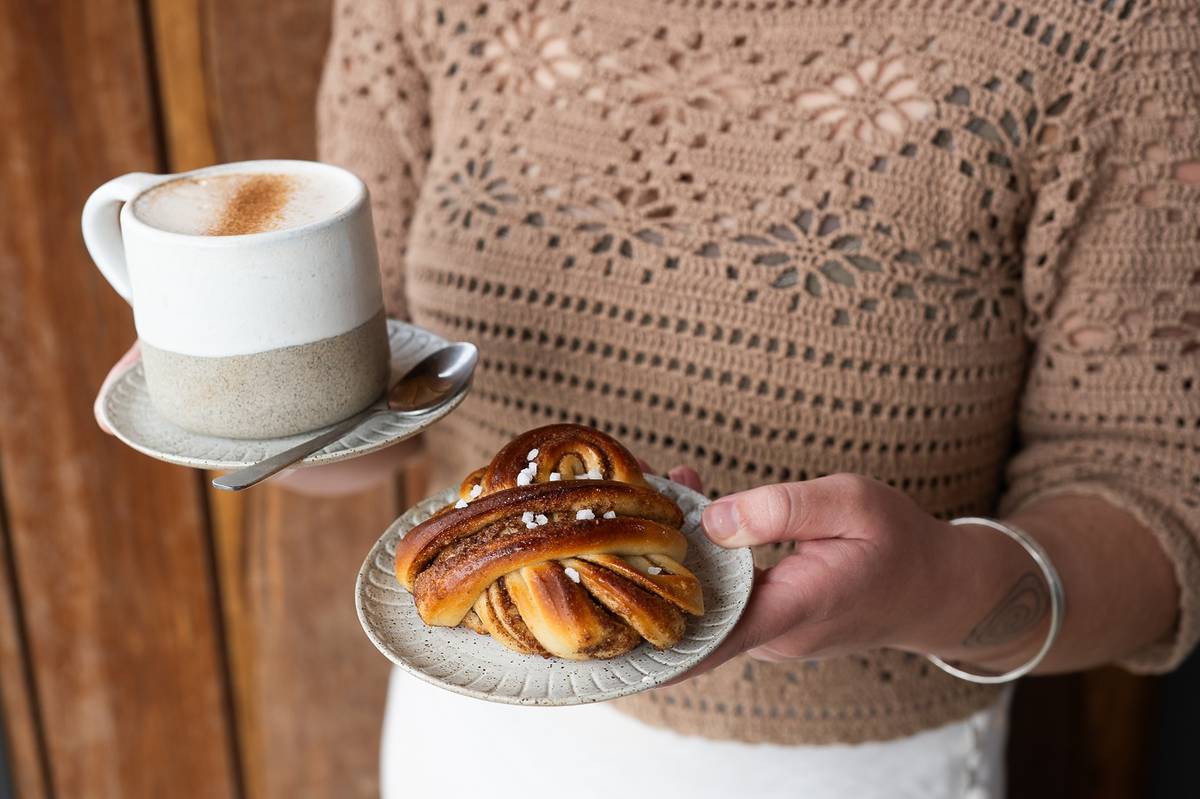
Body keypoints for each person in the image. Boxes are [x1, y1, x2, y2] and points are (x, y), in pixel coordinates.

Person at [96, 0, 1200, 796]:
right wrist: (238, 389)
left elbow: (1154, 516)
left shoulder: (1114, 32)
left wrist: (939, 587)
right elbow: (370, 409)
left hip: (845, 769)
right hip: (469, 728)